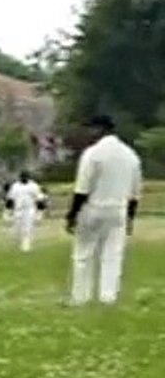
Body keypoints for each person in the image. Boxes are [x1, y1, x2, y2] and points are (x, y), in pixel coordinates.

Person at [65, 114, 142, 306]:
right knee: (113, 255)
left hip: (93, 207)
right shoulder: (130, 155)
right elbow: (135, 193)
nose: (88, 133)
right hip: (118, 210)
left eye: (91, 129)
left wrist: (72, 214)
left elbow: (82, 189)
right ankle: (108, 297)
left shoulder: (93, 153)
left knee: (84, 254)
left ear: (100, 129)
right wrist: (130, 218)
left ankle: (80, 297)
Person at [4, 170, 45, 253]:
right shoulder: (15, 186)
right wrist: (7, 212)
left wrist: (40, 214)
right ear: (20, 178)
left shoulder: (34, 186)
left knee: (28, 228)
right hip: (18, 210)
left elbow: (39, 200)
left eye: (25, 178)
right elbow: (10, 199)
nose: (24, 179)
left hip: (29, 210)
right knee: (17, 229)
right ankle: (20, 243)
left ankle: (26, 245)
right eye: (22, 178)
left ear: (28, 178)